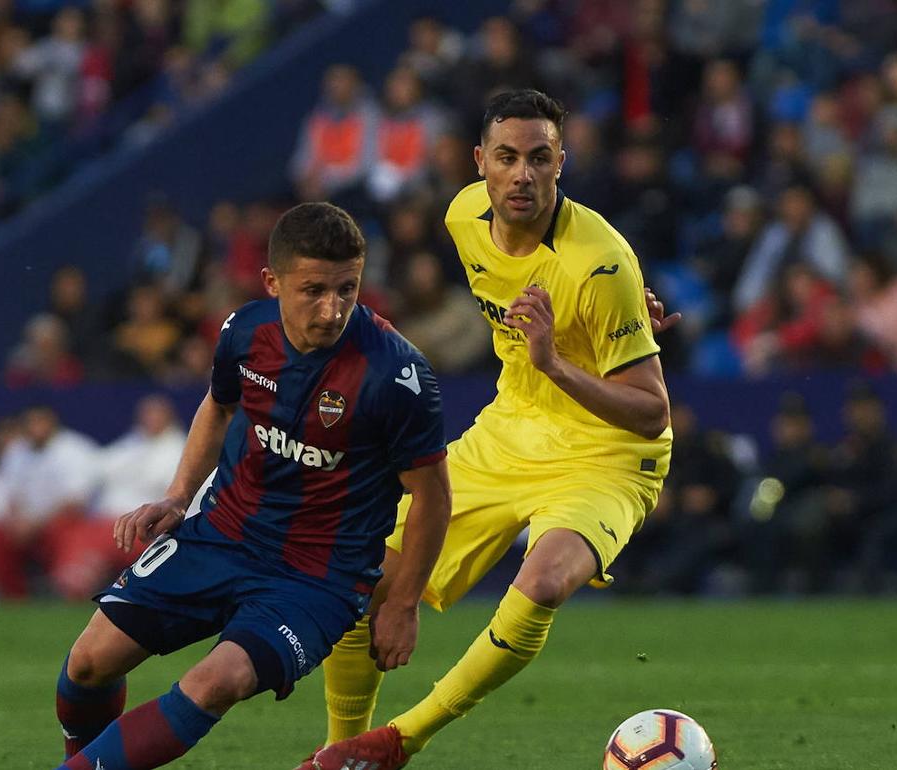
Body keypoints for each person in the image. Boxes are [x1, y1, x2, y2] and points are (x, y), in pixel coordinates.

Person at [300, 90, 673, 770]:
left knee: (544, 581)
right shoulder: (462, 216)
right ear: (481, 163)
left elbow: (652, 412)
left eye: (539, 158)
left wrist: (555, 362)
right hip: (510, 430)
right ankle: (338, 753)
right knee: (357, 578)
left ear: (564, 160)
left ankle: (398, 741)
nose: (522, 175)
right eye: (506, 158)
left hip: (607, 454)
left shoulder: (601, 261)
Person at [51, 202, 451, 770]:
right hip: (222, 532)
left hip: (315, 576)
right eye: (313, 289)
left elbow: (433, 495)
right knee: (89, 662)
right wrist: (176, 497)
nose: (333, 308)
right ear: (273, 282)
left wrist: (404, 601)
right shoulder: (245, 331)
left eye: (348, 289)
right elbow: (218, 407)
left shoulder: (398, 376)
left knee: (216, 681)